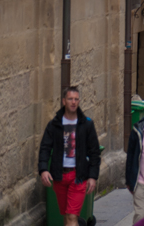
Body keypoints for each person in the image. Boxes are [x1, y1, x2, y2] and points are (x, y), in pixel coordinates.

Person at [38, 86, 100, 226]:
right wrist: (43, 170)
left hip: (78, 177)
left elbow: (94, 152)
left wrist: (92, 176)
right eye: (70, 99)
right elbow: (45, 148)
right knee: (66, 216)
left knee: (72, 217)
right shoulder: (54, 124)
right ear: (64, 101)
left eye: (76, 99)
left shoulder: (86, 124)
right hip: (59, 176)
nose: (73, 102)